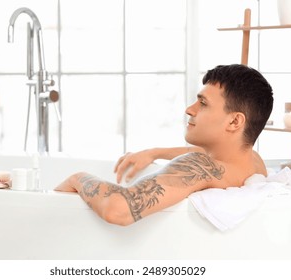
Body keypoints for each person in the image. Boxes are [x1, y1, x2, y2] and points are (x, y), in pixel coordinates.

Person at [55, 64, 273, 226]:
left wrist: (77, 178)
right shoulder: (253, 161)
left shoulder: (199, 166)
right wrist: (155, 153)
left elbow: (119, 209)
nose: (190, 109)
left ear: (235, 121)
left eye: (203, 103)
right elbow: (206, 153)